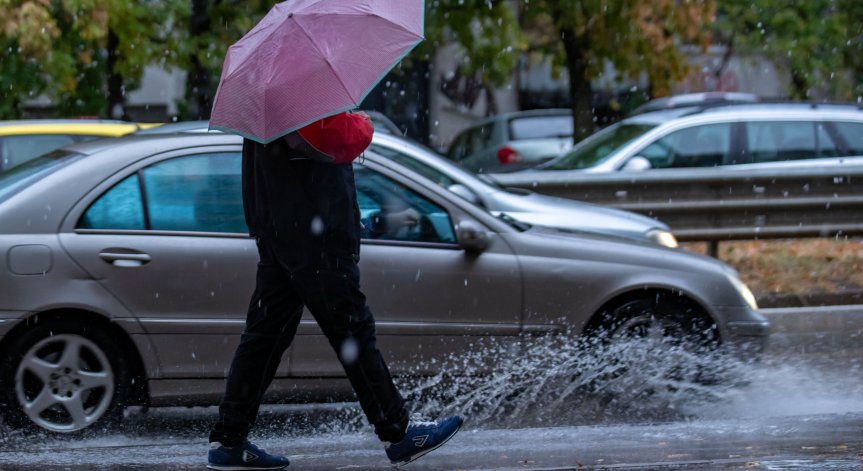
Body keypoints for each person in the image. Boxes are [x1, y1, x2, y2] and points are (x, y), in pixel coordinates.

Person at [206, 112, 462, 471]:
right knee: (351, 328)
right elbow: (330, 138)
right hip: (314, 232)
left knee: (266, 335)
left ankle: (229, 439)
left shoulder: (270, 97)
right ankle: (399, 432)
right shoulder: (302, 95)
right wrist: (362, 122)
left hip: (282, 226)